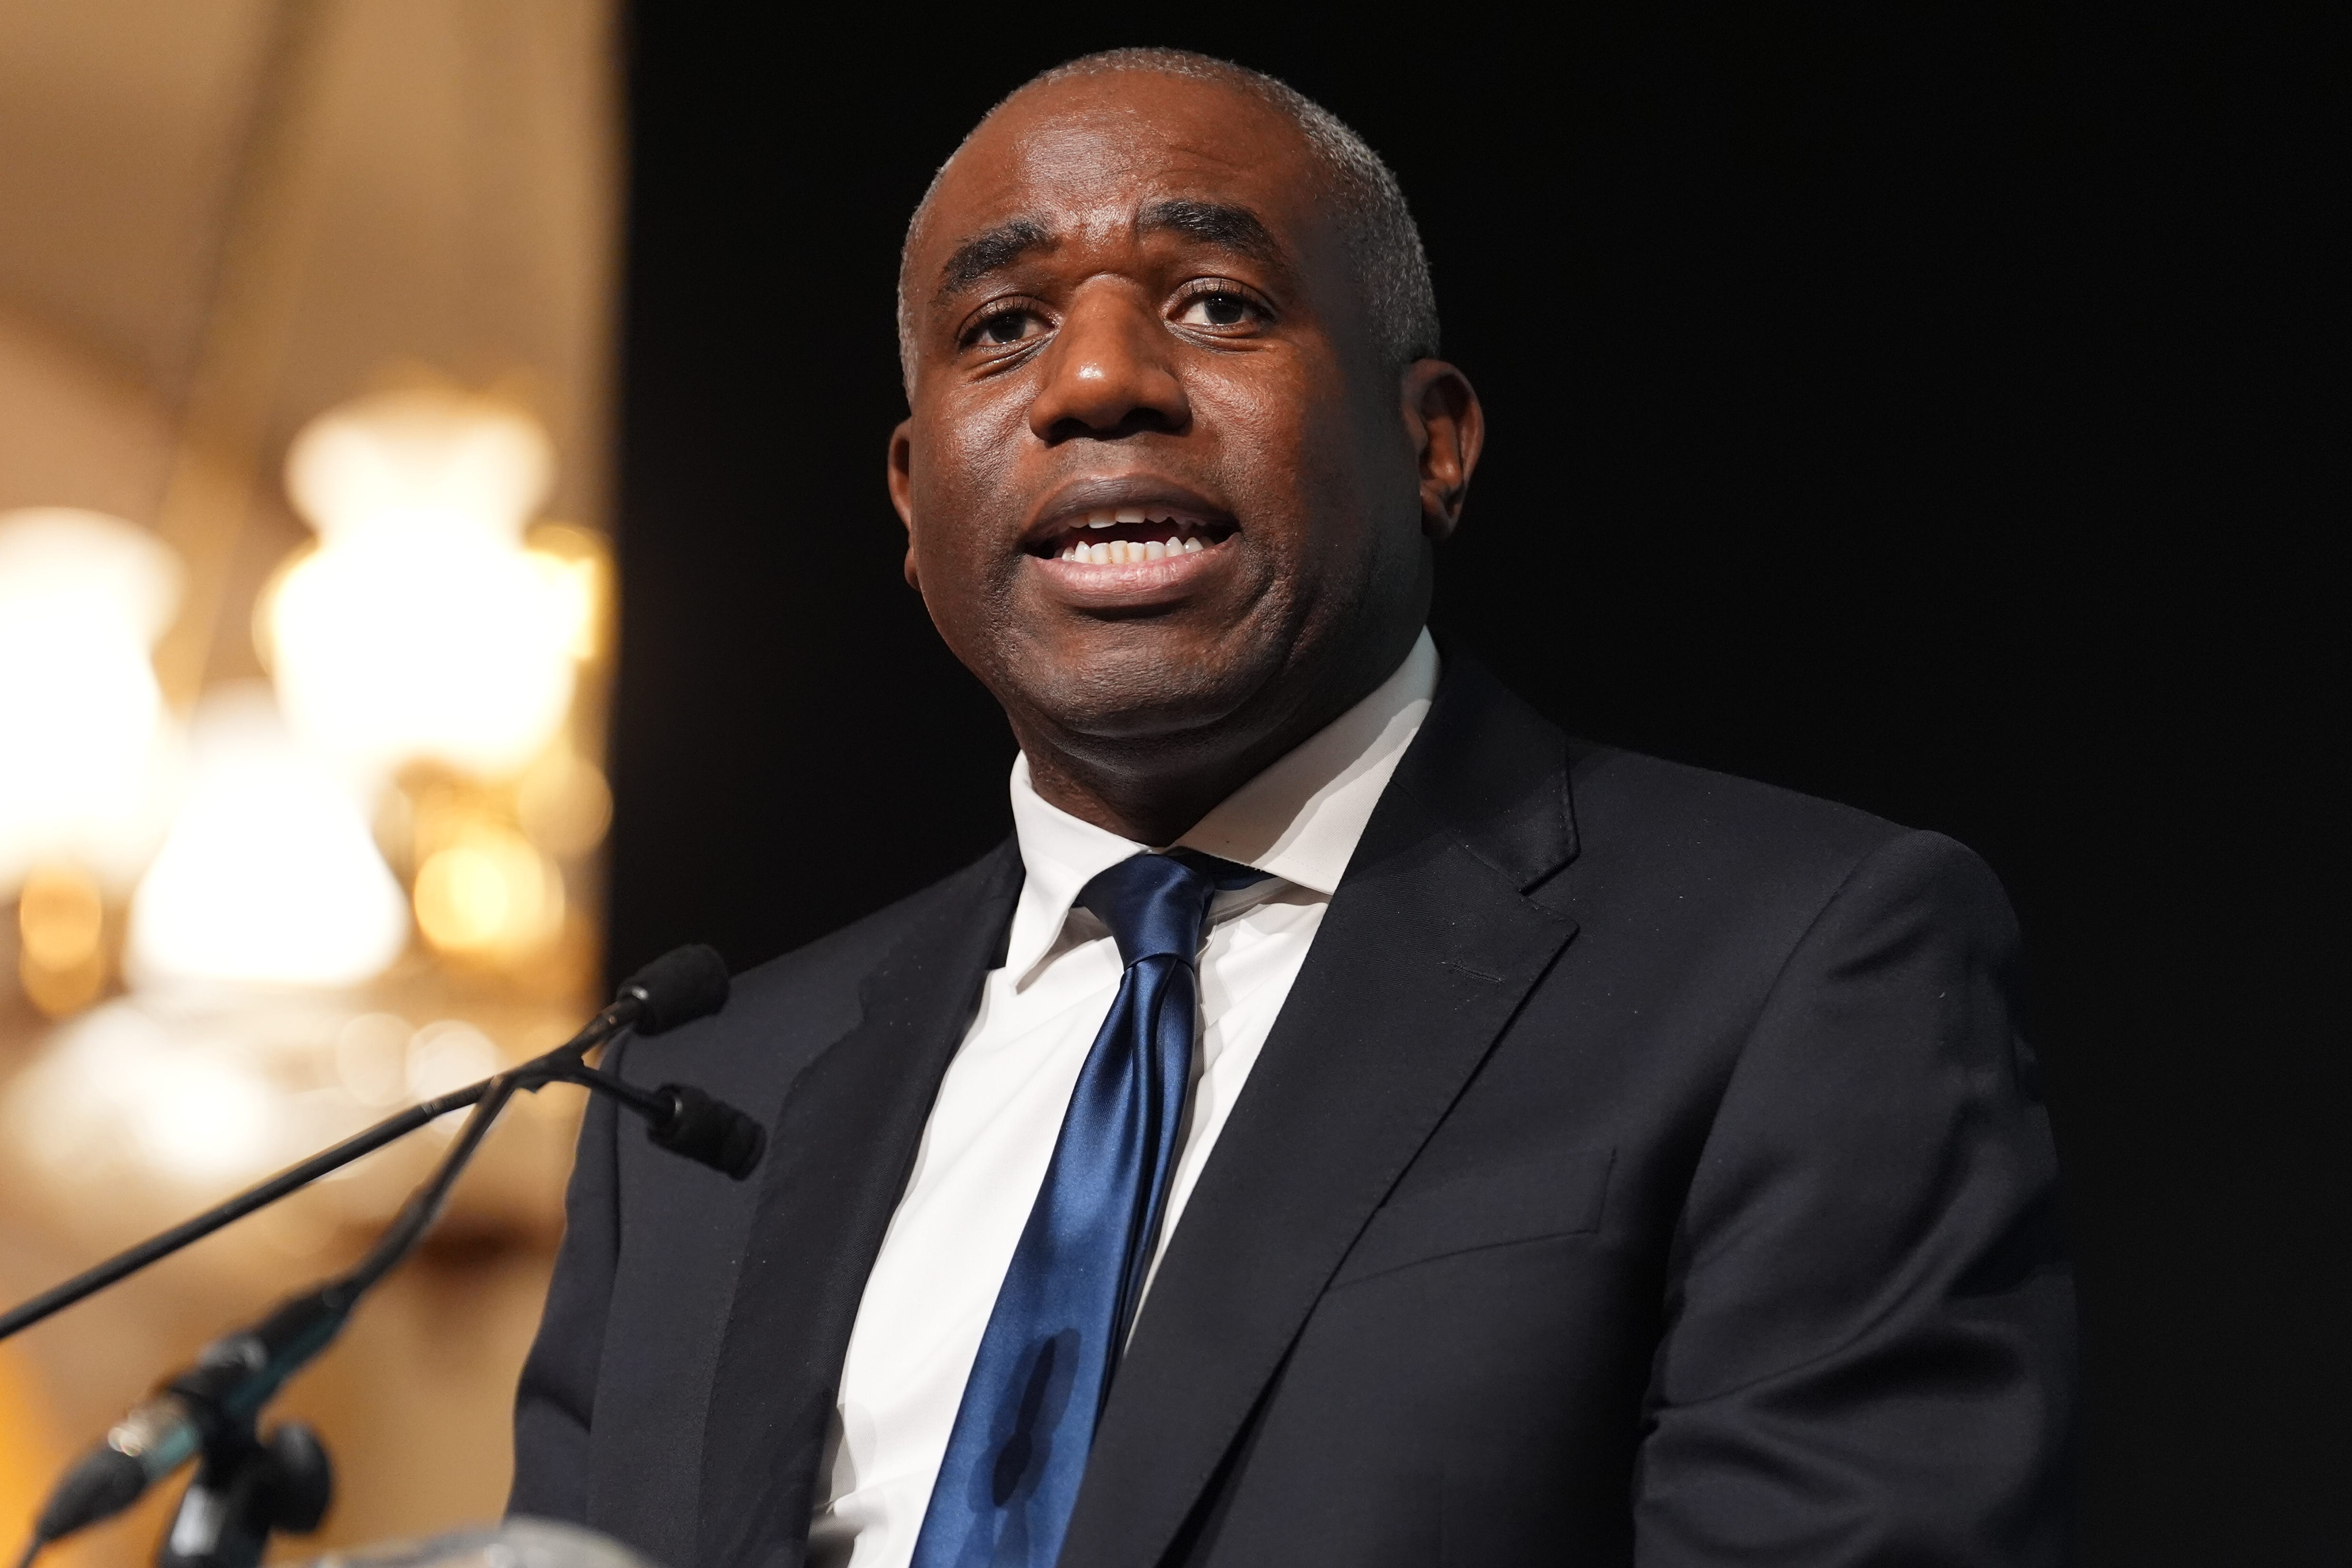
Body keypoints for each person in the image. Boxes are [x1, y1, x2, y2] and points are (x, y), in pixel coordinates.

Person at [510, 47, 2074, 1568]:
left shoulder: (1790, 966)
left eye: (1215, 305)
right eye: (1000, 328)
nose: (1099, 383)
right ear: (915, 505)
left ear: (1433, 440)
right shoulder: (701, 1098)